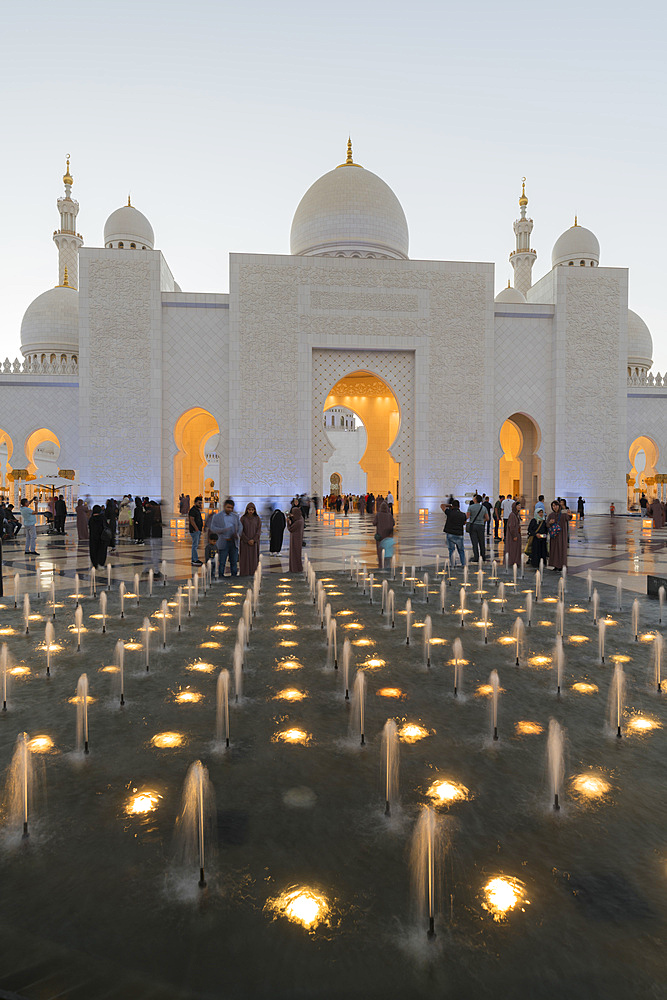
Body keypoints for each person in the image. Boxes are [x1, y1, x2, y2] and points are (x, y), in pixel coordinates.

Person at [209, 497, 241, 577]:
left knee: (234, 561)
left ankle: (234, 576)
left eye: (231, 508)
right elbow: (213, 528)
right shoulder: (217, 516)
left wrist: (237, 534)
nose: (230, 509)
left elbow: (240, 526)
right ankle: (221, 576)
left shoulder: (235, 516)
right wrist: (222, 530)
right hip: (223, 541)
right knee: (222, 561)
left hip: (233, 542)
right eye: (228, 507)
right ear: (224, 506)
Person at [441, 498, 467, 567]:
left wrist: (449, 506)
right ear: (459, 506)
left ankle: (453, 565)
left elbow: (442, 505)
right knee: (461, 551)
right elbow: (464, 523)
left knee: (451, 550)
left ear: (452, 506)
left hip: (450, 534)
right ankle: (463, 564)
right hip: (459, 534)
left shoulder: (449, 512)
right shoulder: (463, 514)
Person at [546, 499, 571, 570]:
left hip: (562, 536)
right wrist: (550, 523)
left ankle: (561, 565)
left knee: (561, 550)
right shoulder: (551, 515)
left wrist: (570, 515)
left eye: (556, 505)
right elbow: (547, 525)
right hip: (554, 536)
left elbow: (569, 518)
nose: (554, 507)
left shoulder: (563, 514)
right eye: (553, 506)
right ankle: (555, 565)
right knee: (554, 550)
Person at [239, 502, 261, 575]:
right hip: (245, 543)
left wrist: (254, 539)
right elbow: (240, 530)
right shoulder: (243, 518)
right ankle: (245, 572)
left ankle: (253, 572)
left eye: (252, 510)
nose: (251, 511)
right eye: (249, 509)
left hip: (254, 543)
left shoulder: (257, 519)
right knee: (245, 558)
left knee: (253, 558)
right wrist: (247, 540)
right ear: (247, 510)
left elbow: (258, 530)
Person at [372, 499, 395, 568]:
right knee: (388, 551)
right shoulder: (389, 515)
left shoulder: (378, 515)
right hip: (388, 536)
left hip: (380, 537)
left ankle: (381, 565)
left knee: (380, 551)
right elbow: (393, 523)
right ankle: (388, 566)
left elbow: (374, 523)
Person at [466, 494, 488, 562]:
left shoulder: (471, 507)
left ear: (475, 500)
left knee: (474, 542)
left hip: (473, 526)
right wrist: (481, 521)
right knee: (482, 542)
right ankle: (483, 556)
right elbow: (487, 518)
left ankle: (476, 557)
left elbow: (467, 517)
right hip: (481, 526)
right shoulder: (483, 508)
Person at [88, 504, 109, 569]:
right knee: (102, 551)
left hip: (93, 538)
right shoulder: (102, 518)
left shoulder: (91, 519)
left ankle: (94, 563)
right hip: (102, 538)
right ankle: (100, 564)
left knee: (94, 550)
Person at [287, 503, 305, 572]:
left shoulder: (298, 522)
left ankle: (295, 568)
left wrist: (288, 522)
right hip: (298, 539)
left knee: (295, 554)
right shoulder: (301, 519)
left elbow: (290, 529)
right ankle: (296, 568)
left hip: (295, 539)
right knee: (296, 554)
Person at [506, 500, 523, 567]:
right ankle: (512, 561)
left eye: (520, 505)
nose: (519, 507)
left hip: (517, 534)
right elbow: (511, 526)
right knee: (513, 548)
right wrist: (514, 535)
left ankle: (516, 561)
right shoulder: (512, 515)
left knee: (516, 548)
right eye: (518, 505)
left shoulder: (516, 514)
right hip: (513, 535)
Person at [189, 495, 204, 565]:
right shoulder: (192, 510)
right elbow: (192, 520)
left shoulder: (197, 510)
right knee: (195, 546)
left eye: (201, 503)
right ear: (195, 503)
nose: (200, 504)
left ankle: (195, 559)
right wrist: (197, 529)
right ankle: (194, 560)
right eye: (199, 503)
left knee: (195, 545)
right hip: (195, 531)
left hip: (197, 530)